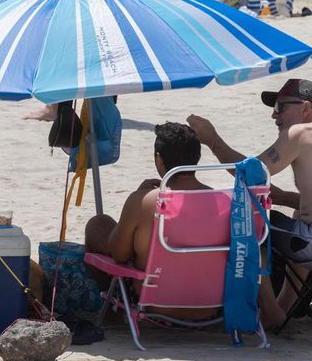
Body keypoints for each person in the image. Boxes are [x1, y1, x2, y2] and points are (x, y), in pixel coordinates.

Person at [187, 79, 312, 326]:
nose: (274, 116)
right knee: (301, 218)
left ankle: (270, 312)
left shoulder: (301, 132)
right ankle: (283, 307)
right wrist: (282, 197)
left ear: (305, 107)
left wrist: (213, 140)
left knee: (255, 226)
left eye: (280, 106)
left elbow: (252, 173)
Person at [84, 122, 216, 320]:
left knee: (98, 224)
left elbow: (119, 255)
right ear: (196, 158)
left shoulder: (145, 201)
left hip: (156, 303)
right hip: (208, 305)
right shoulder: (220, 201)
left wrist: (137, 198)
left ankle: (116, 313)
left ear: (159, 160)